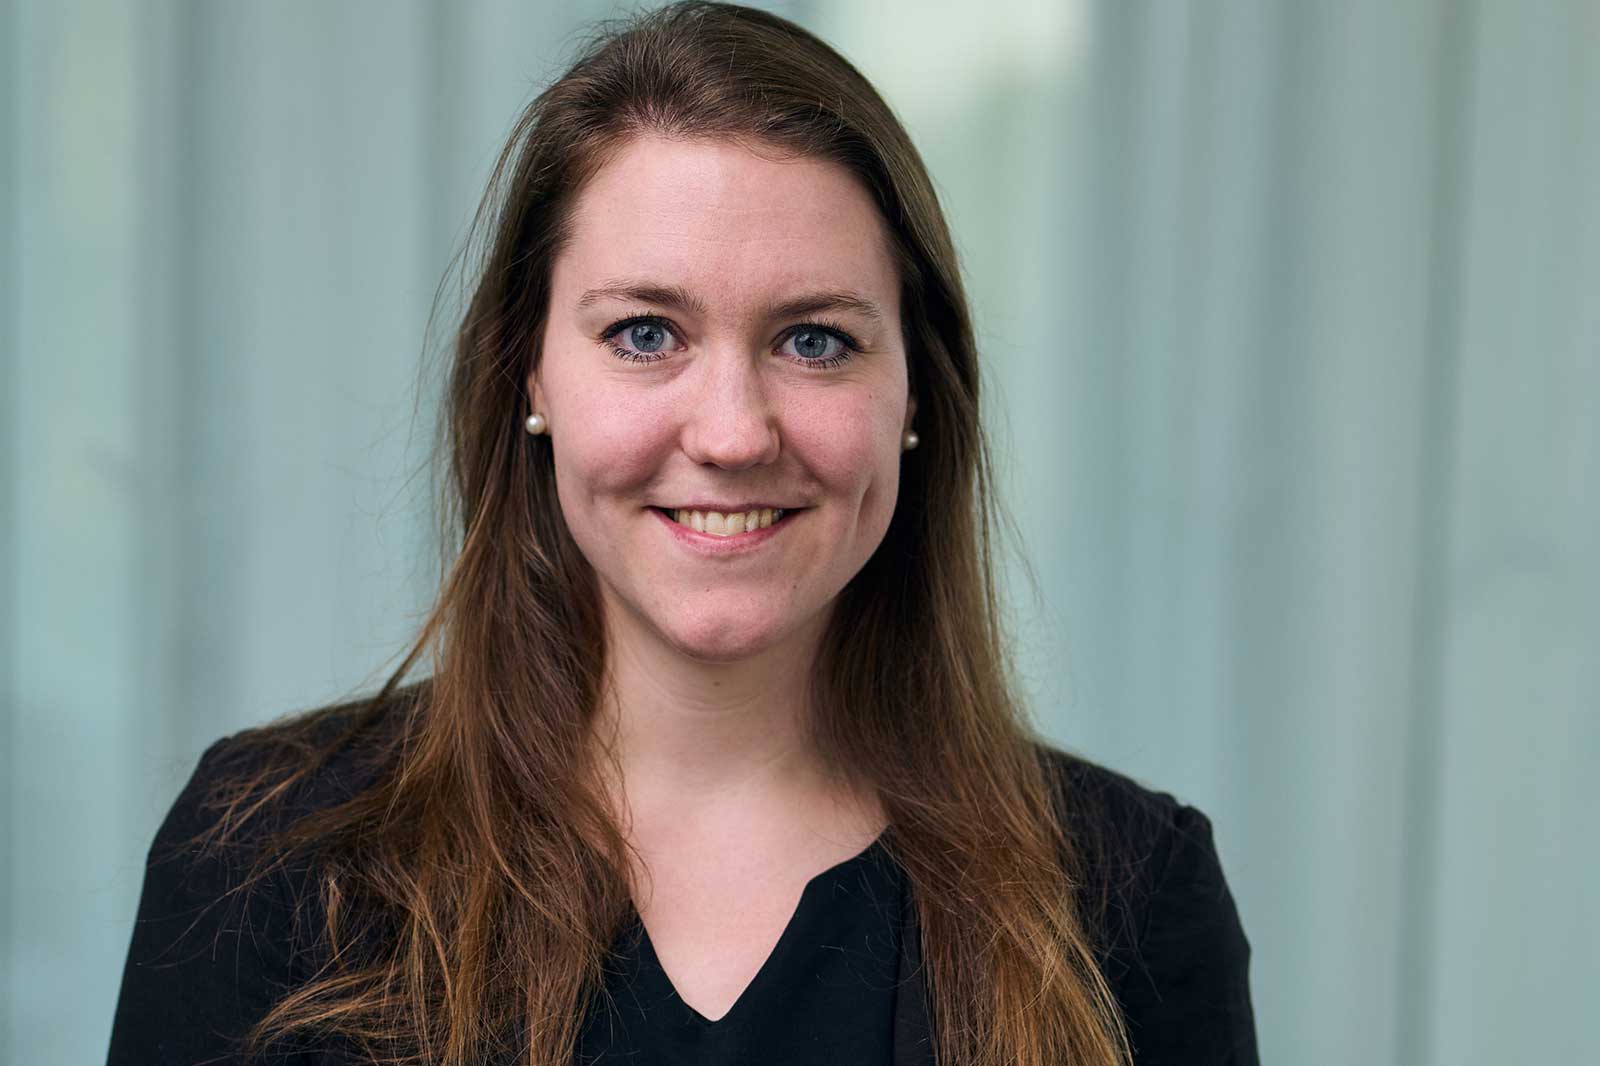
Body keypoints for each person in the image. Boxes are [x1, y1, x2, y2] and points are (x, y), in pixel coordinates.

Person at [107, 3, 1258, 1064]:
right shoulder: (267, 858)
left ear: (917, 397)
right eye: (646, 332)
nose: (731, 431)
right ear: (530, 374)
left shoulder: (1125, 901)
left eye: (813, 340)